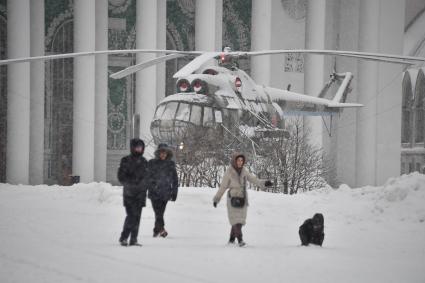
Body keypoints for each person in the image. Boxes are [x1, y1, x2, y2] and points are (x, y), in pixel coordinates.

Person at [213, 153, 272, 247]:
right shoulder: (229, 172)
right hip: (232, 198)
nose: (240, 162)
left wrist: (264, 183)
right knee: (236, 221)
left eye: (241, 160)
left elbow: (253, 179)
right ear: (234, 161)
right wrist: (217, 199)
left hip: (242, 199)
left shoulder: (244, 171)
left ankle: (232, 240)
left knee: (238, 220)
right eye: (238, 160)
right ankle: (240, 240)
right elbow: (223, 187)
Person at [117, 138, 148, 246]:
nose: (139, 149)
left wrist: (145, 185)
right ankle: (124, 237)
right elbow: (121, 176)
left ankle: (134, 239)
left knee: (137, 217)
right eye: (137, 147)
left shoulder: (144, 161)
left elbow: (147, 177)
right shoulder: (126, 160)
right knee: (131, 216)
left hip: (140, 194)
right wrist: (131, 184)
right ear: (132, 148)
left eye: (140, 147)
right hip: (129, 194)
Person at [145, 143, 179, 237]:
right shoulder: (152, 163)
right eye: (161, 152)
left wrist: (174, 192)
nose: (163, 154)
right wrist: (152, 186)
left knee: (160, 212)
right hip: (154, 192)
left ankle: (156, 229)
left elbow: (175, 180)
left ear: (168, 153)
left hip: (165, 193)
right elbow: (147, 177)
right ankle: (162, 229)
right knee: (158, 212)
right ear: (158, 153)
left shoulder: (170, 164)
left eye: (165, 152)